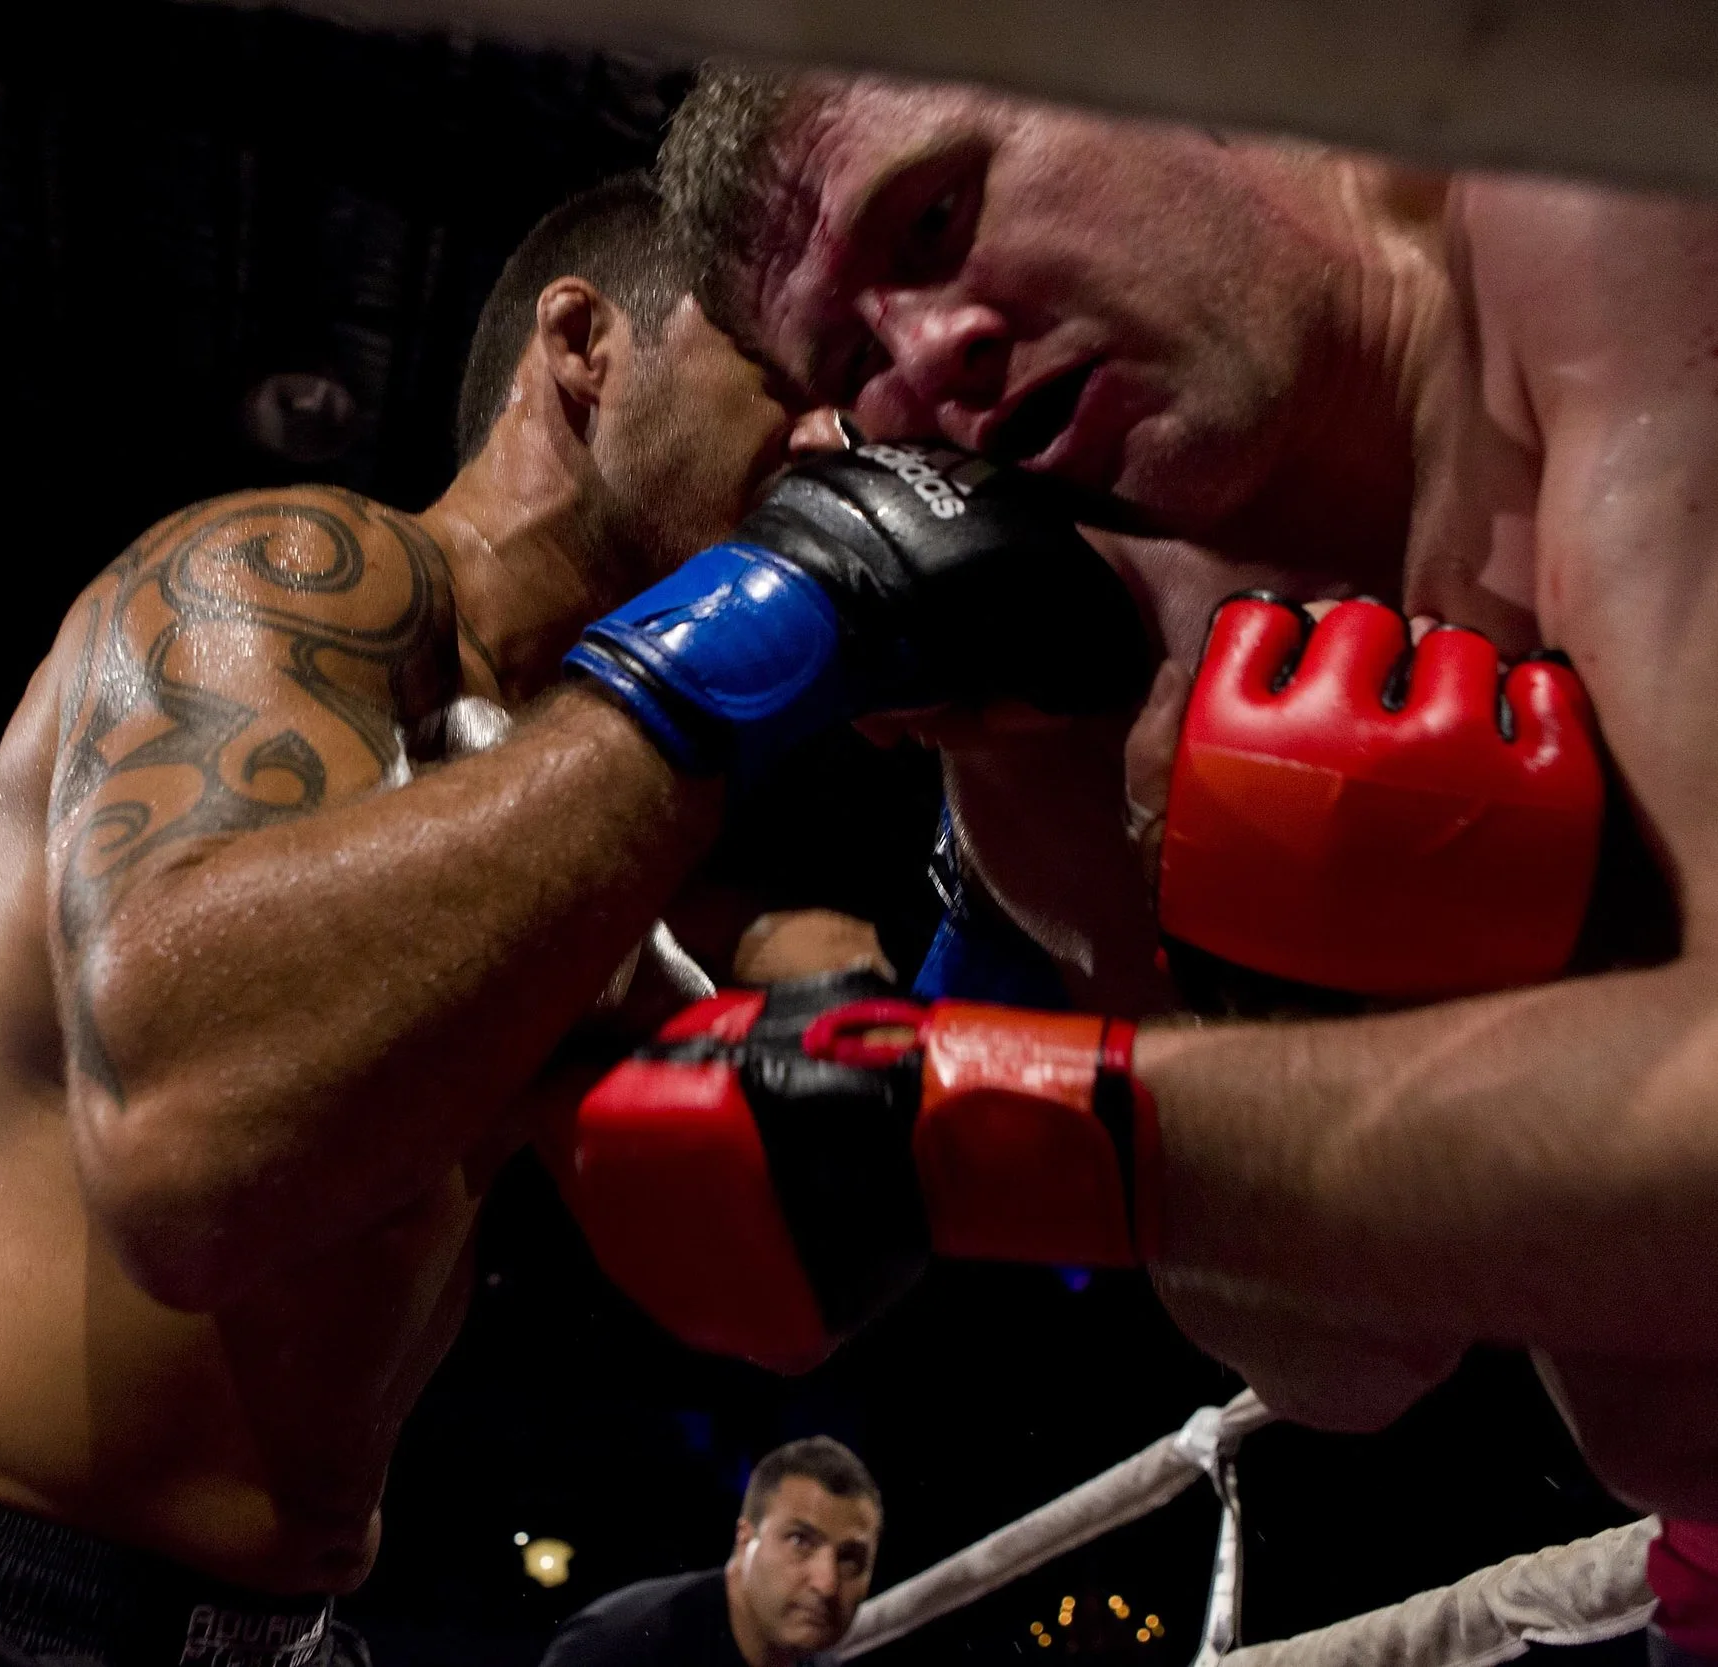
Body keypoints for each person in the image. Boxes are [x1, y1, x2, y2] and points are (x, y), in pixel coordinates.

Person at [0, 174, 911, 1667]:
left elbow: (783, 1287)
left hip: (276, 1635)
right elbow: (191, 1153)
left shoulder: (569, 814)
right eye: (784, 373)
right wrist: (753, 650)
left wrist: (945, 856)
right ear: (583, 343)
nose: (830, 441)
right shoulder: (284, 576)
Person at [562, 61, 1718, 1663]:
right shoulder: (1060, 722)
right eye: (853, 353)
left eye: (939, 216)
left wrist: (989, 1131)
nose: (933, 351)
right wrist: (1252, 975)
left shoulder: (1591, 209)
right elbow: (1348, 1366)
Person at [539, 1438, 882, 1667]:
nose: (827, 1583)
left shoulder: (817, 1660)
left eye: (851, 1558)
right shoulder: (617, 1646)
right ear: (745, 1539)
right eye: (799, 1541)